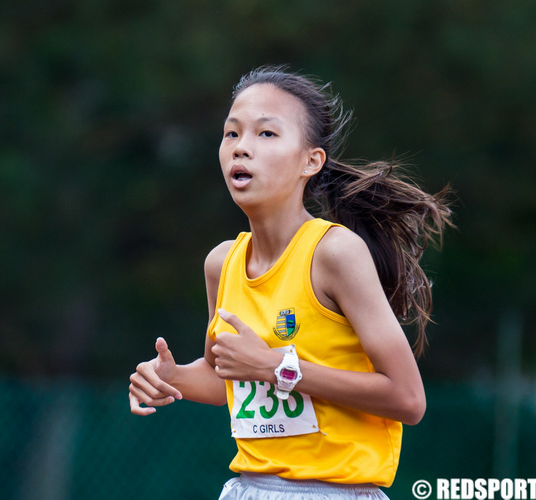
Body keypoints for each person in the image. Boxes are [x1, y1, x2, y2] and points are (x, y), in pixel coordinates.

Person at [128, 65, 453, 499]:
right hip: (247, 489)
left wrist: (276, 368)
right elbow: (226, 379)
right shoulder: (221, 263)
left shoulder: (334, 253)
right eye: (231, 134)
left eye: (266, 134)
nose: (242, 148)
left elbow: (409, 400)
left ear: (310, 161)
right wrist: (172, 378)